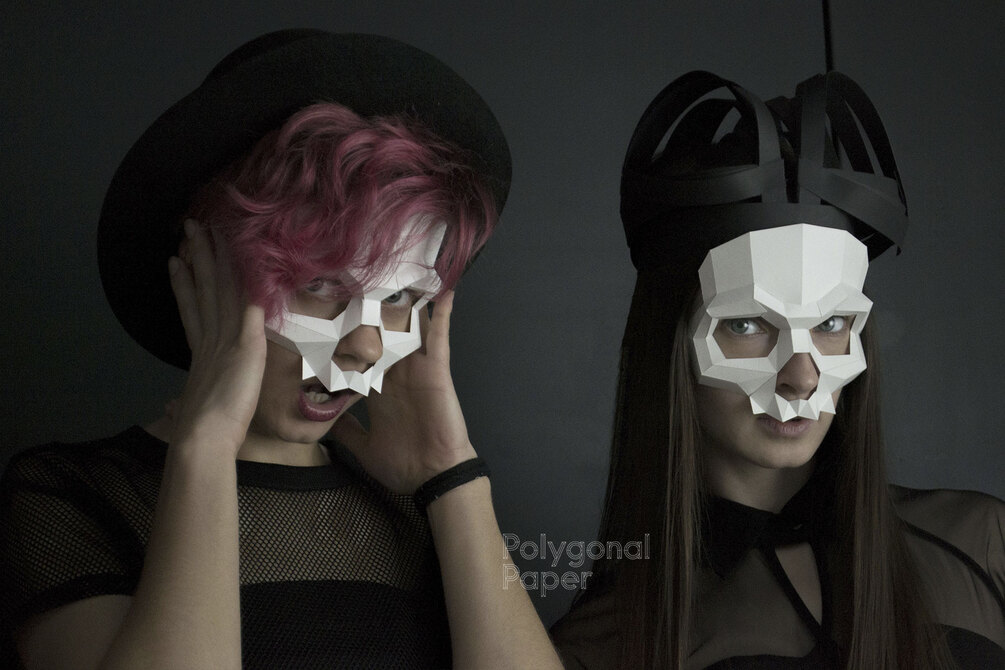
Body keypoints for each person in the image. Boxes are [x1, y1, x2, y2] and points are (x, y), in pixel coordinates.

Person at [0, 30, 562, 669]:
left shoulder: (419, 510)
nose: (364, 346)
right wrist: (207, 449)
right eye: (318, 285)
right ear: (209, 272)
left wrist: (450, 473)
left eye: (403, 297)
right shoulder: (70, 495)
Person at [550, 71, 1005, 669]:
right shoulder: (605, 644)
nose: (802, 378)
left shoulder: (983, 545)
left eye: (832, 323)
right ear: (673, 345)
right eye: (746, 325)